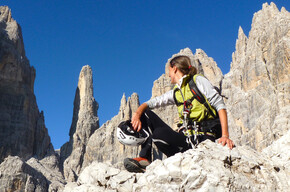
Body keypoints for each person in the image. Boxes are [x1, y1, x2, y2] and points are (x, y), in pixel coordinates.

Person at [121, 55, 234, 173]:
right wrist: (137, 113)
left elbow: (220, 104)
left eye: (169, 71)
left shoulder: (197, 81)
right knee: (146, 113)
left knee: (159, 134)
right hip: (185, 138)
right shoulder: (176, 92)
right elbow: (152, 103)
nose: (168, 74)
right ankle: (145, 159)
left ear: (174, 68)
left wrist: (225, 135)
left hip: (202, 139)